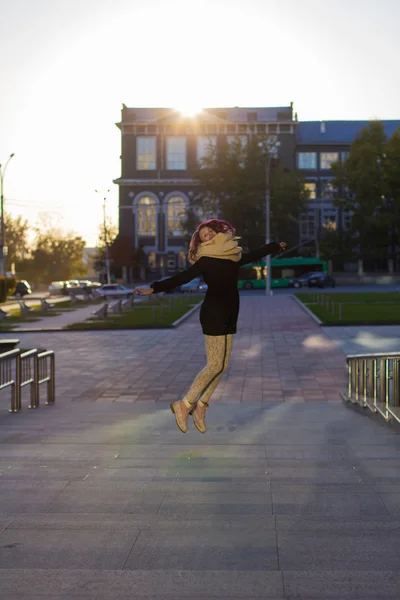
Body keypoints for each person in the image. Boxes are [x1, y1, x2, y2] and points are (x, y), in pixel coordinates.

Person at [134, 219, 287, 434]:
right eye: (204, 235)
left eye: (210, 232)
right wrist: (153, 288)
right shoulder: (205, 260)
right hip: (213, 313)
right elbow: (181, 278)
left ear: (218, 233)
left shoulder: (233, 256)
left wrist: (274, 246)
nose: (208, 236)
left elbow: (254, 255)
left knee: (222, 366)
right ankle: (185, 404)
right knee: (214, 365)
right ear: (201, 243)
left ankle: (201, 407)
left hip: (230, 312)